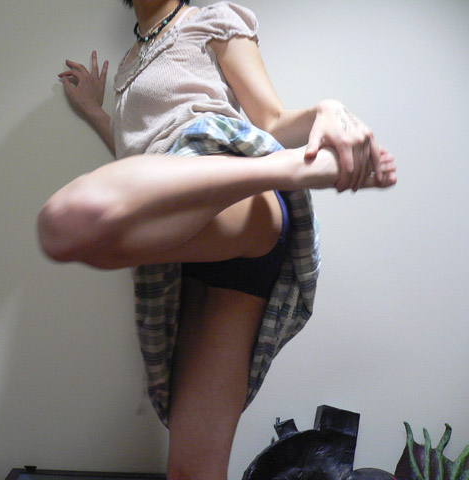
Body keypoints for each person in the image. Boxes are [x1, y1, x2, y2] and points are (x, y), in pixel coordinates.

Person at [39, 1, 397, 479]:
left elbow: (271, 118)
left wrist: (327, 109)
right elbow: (139, 160)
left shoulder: (212, 18)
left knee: (65, 221)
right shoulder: (128, 64)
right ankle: (285, 169)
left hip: (231, 188)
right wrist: (95, 111)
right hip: (191, 242)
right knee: (193, 470)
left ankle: (282, 169)